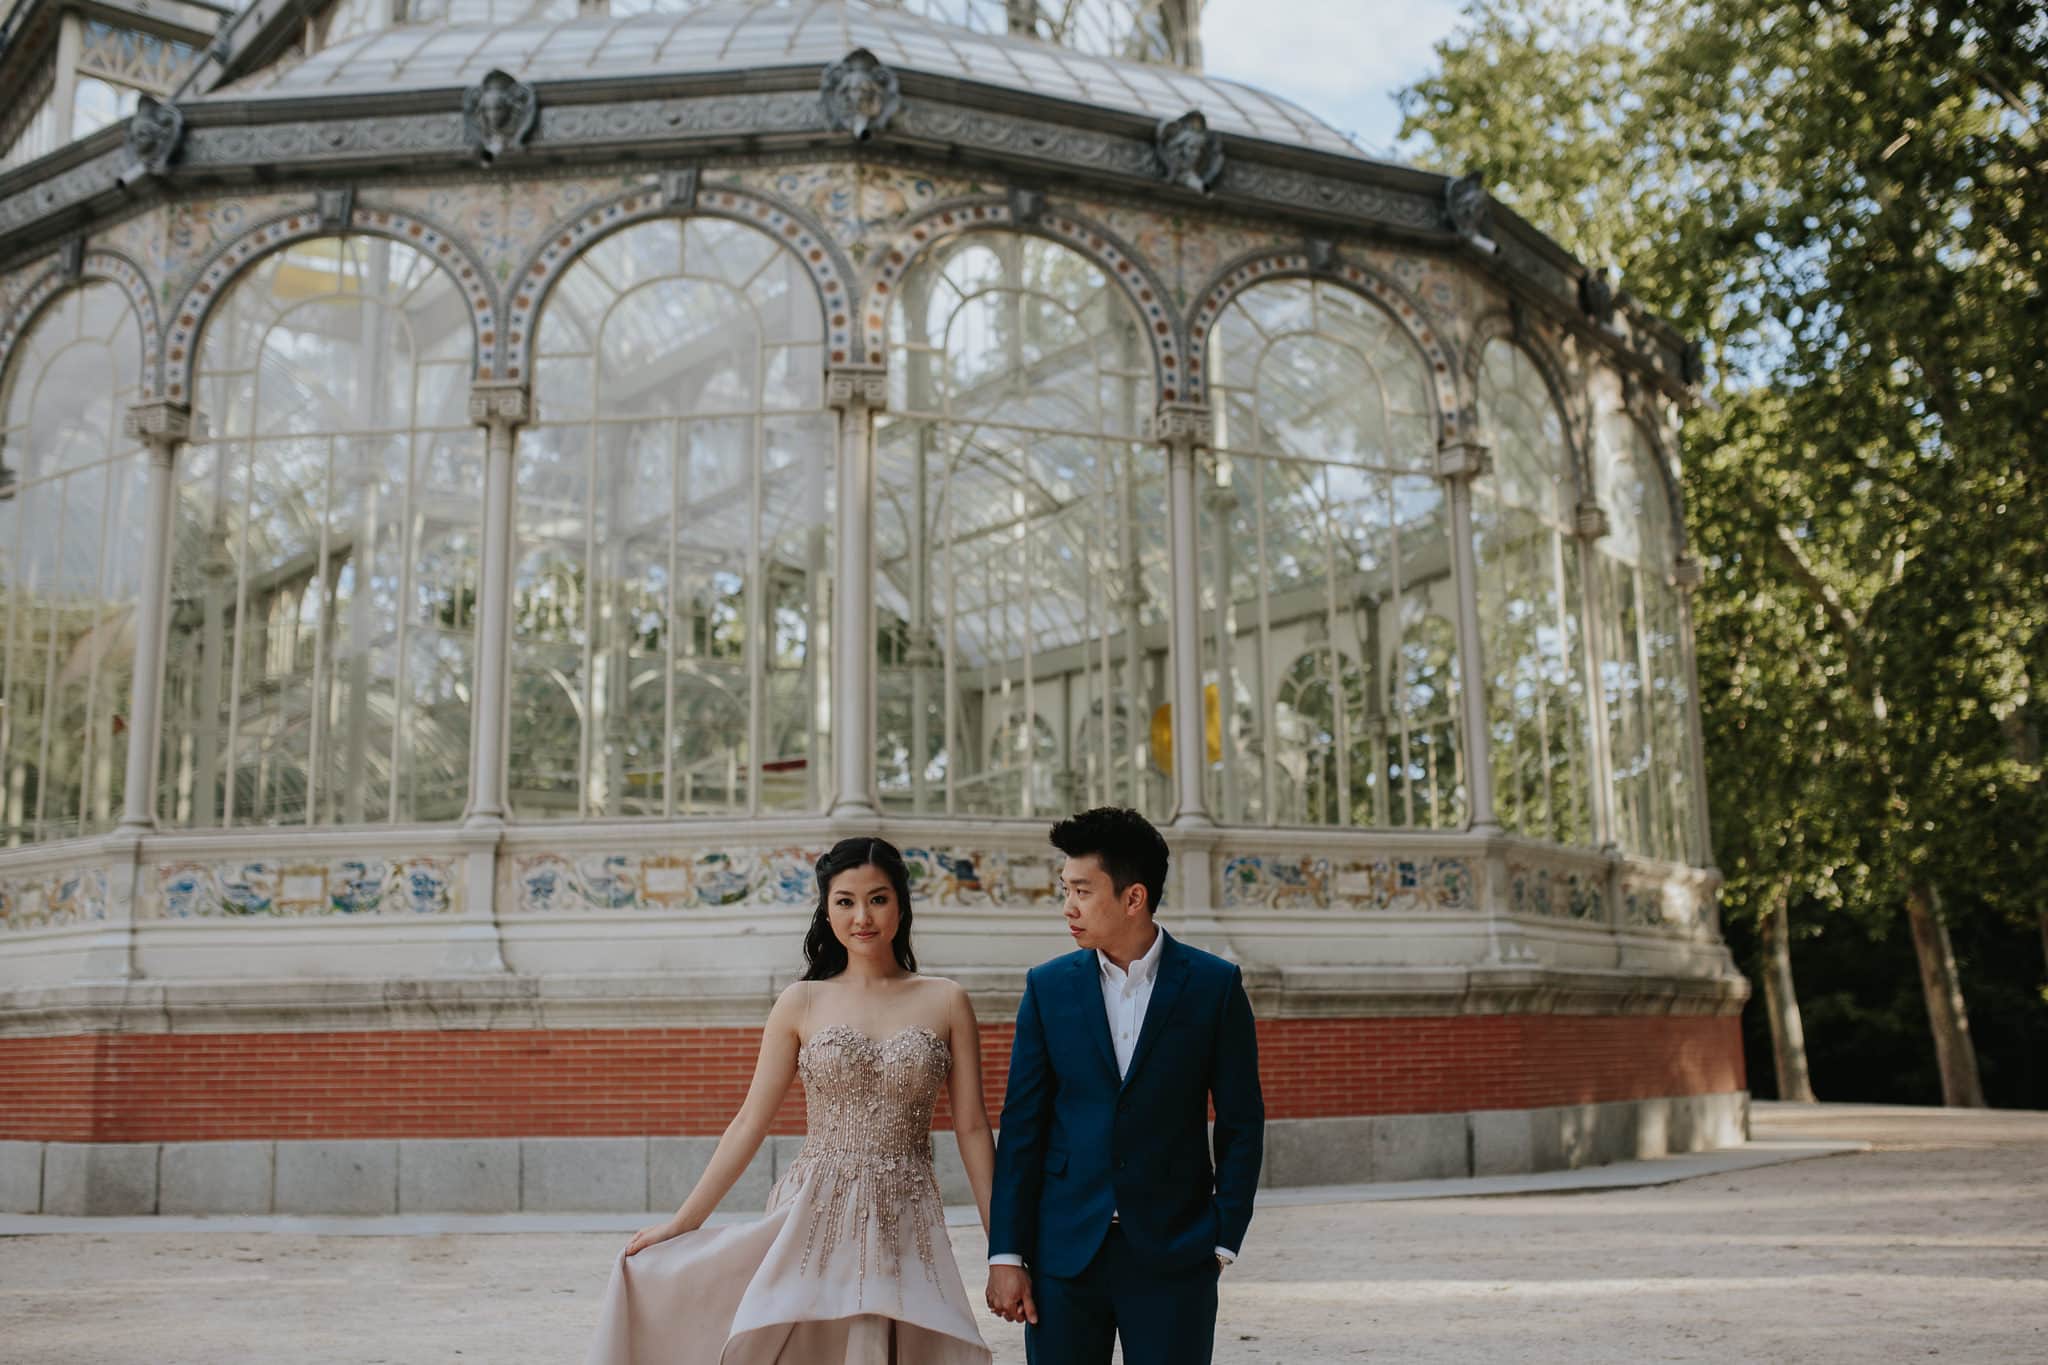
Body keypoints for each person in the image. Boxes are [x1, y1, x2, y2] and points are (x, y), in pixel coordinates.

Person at [584, 836, 995, 1365]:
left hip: (904, 1214)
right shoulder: (800, 1002)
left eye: (878, 898)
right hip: (813, 1212)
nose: (862, 916)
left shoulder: (946, 999)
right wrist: (683, 1223)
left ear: (901, 904)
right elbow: (750, 1122)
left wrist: (1002, 1248)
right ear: (827, 910)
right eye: (845, 901)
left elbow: (973, 1130)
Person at [984, 806, 1265, 1365]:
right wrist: (1007, 1253)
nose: (1068, 906)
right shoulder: (1047, 988)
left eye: (1083, 891)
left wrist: (1221, 1239)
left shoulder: (1214, 985)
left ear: (1133, 897)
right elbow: (1022, 1129)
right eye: (1066, 889)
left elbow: (1241, 1120)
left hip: (1175, 1252)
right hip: (1064, 1252)